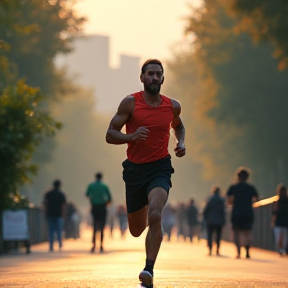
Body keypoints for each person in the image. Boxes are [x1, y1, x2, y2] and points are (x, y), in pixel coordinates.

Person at [106, 59, 185, 287]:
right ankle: (147, 259)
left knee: (156, 214)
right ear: (142, 77)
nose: (154, 78)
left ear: (162, 78)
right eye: (150, 74)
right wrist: (131, 137)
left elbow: (178, 125)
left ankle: (148, 269)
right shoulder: (130, 103)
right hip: (134, 170)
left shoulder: (172, 106)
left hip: (160, 167)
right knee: (136, 229)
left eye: (158, 74)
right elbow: (110, 134)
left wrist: (180, 142)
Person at [226, 167, 259, 259]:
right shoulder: (250, 187)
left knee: (236, 232)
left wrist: (232, 203)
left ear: (238, 176)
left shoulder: (234, 187)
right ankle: (247, 251)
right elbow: (257, 199)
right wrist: (251, 204)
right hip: (248, 212)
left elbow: (228, 198)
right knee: (247, 232)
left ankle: (238, 252)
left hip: (236, 212)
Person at [86, 172, 112, 253]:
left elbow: (87, 194)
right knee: (102, 226)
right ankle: (101, 245)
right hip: (102, 207)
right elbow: (109, 198)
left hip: (94, 206)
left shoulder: (91, 185)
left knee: (94, 226)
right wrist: (106, 203)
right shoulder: (104, 186)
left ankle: (93, 245)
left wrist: (92, 199)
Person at [43, 179, 66, 252]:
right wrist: (63, 214)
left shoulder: (49, 194)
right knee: (59, 229)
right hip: (59, 214)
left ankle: (51, 245)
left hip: (50, 213)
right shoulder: (61, 194)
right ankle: (59, 243)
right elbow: (63, 206)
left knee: (51, 230)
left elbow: (45, 204)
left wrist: (46, 212)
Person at [203, 186, 226, 256]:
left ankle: (210, 249)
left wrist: (205, 217)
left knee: (210, 235)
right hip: (219, 220)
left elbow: (206, 210)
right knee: (218, 235)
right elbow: (223, 211)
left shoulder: (210, 200)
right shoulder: (222, 200)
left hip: (210, 220)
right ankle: (217, 249)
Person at [271, 184, 288, 256]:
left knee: (285, 238)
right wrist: (273, 221)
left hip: (286, 222)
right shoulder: (276, 201)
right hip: (278, 221)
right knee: (279, 236)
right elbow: (274, 213)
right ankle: (280, 249)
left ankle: (283, 249)